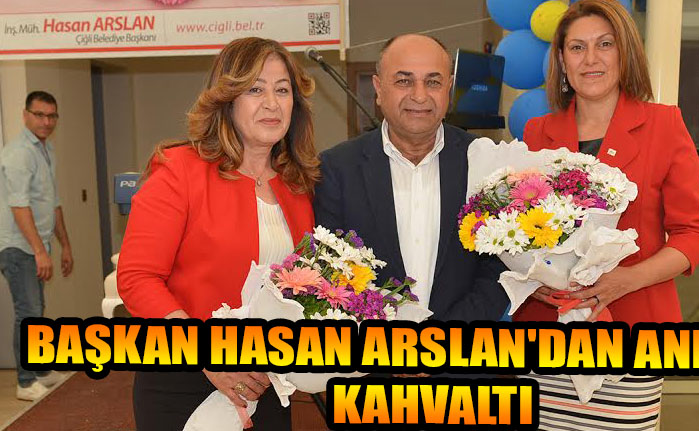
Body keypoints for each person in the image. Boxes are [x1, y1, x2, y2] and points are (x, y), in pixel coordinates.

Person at [513, 0, 699, 429]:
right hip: (545, 333)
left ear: (625, 53)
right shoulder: (536, 133)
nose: (591, 59)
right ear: (561, 61)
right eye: (577, 47)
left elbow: (693, 235)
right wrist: (532, 282)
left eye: (605, 44)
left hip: (633, 330)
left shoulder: (665, 125)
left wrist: (626, 280)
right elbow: (516, 232)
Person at [117, 37, 317, 431]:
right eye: (255, 90)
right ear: (227, 99)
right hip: (184, 380)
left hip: (264, 384)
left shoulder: (297, 185)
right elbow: (137, 278)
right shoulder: (179, 170)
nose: (272, 104)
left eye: (282, 90)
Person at [313, 34, 508, 323]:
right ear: (379, 89)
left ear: (449, 88)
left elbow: (498, 268)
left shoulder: (485, 161)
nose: (419, 95)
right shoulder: (336, 169)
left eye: (433, 82)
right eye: (404, 81)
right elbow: (332, 269)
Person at [0, 91, 73, 401]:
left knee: (37, 310)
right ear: (25, 115)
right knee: (28, 313)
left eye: (51, 116)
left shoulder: (45, 149)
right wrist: (40, 252)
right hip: (18, 247)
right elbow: (19, 206)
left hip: (38, 244)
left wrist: (64, 245)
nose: (46, 121)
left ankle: (41, 370)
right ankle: (26, 380)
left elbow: (52, 202)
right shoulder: (19, 153)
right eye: (39, 115)